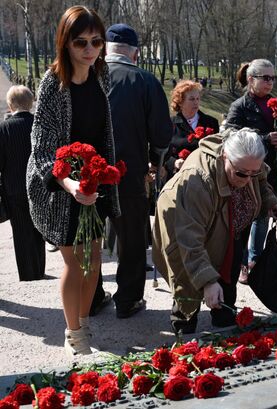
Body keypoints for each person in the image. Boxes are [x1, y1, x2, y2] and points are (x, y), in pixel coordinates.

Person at [26, 6, 119, 357]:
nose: (89, 49)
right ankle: (74, 337)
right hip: (59, 187)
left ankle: (84, 324)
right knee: (73, 260)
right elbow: (42, 146)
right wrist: (70, 185)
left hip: (94, 182)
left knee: (94, 258)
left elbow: (105, 133)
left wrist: (101, 178)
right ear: (65, 43)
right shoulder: (53, 83)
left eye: (96, 41)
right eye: (80, 42)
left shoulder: (101, 76)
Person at [152, 128, 277, 337]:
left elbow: (261, 180)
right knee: (188, 280)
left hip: (231, 227)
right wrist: (208, 282)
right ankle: (184, 321)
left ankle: (223, 315)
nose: (247, 179)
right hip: (185, 227)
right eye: (241, 173)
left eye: (253, 172)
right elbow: (190, 240)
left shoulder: (247, 162)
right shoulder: (197, 180)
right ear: (224, 157)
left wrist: (269, 201)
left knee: (228, 267)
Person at [90, 23, 172, 319]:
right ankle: (128, 299)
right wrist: (155, 159)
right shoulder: (145, 81)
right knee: (132, 239)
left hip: (86, 174)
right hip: (129, 171)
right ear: (134, 53)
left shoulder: (86, 75)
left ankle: (91, 297)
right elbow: (162, 133)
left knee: (90, 237)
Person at [225, 59, 277, 284]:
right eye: (265, 78)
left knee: (262, 216)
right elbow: (231, 139)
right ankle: (241, 263)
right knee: (243, 219)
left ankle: (255, 260)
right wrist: (265, 139)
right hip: (246, 173)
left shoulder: (275, 104)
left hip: (270, 170)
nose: (270, 82)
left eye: (273, 78)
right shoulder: (239, 106)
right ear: (251, 79)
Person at [0, 85, 45, 281]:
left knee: (20, 231)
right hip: (39, 186)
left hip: (14, 188)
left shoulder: (3, 129)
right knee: (38, 228)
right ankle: (39, 269)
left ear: (10, 105)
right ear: (31, 102)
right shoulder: (40, 124)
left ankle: (27, 273)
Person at [165, 80, 219, 179]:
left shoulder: (211, 123)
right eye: (191, 99)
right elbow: (162, 153)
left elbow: (217, 152)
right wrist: (174, 162)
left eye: (198, 99)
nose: (196, 102)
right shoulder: (169, 124)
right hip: (178, 177)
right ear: (180, 102)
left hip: (206, 177)